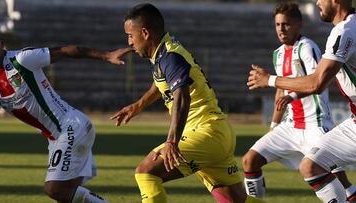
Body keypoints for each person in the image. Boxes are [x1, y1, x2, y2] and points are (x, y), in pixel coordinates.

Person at [110, 3, 264, 203]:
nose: (129, 42)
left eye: (131, 35)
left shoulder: (170, 56)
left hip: (205, 132)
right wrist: (137, 106)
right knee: (236, 201)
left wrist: (172, 141)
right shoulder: (163, 54)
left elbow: (182, 96)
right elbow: (161, 84)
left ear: (145, 33)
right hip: (215, 133)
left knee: (146, 172)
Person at [0, 25, 132, 203]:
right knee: (68, 195)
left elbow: (67, 51)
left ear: (1, 43)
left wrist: (107, 55)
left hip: (71, 127)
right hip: (56, 137)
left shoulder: (22, 60)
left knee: (54, 189)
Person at [242, 2, 356, 201]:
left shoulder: (339, 33)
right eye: (277, 24)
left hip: (316, 124)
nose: (317, 2)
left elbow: (317, 82)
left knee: (334, 176)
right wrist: (274, 126)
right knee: (305, 165)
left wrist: (269, 80)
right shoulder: (279, 53)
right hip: (295, 125)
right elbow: (287, 89)